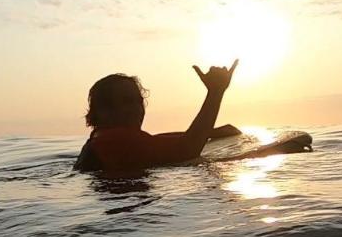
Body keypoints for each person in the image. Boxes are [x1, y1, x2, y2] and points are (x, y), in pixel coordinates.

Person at [75, 61, 242, 172]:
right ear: (102, 112)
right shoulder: (115, 140)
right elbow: (186, 150)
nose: (135, 109)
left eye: (137, 101)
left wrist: (209, 133)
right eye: (125, 102)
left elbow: (156, 141)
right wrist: (215, 92)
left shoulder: (102, 139)